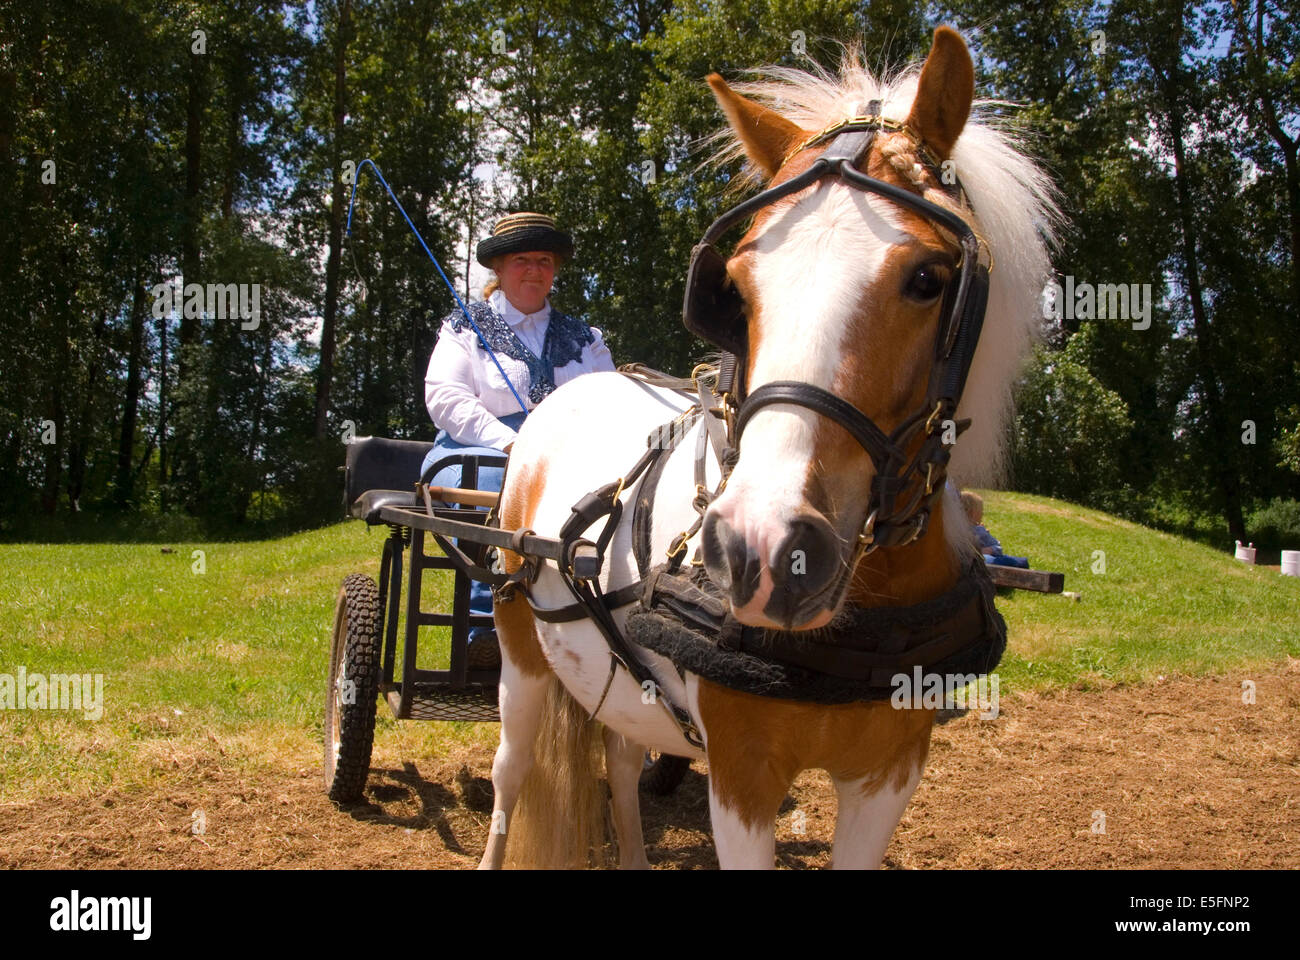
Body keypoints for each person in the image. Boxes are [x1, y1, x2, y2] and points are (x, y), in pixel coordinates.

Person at [422, 212, 615, 667]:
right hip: (478, 450)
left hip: (567, 455)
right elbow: (446, 398)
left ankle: (592, 625)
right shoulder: (464, 326)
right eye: (521, 259)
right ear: (499, 269)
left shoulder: (586, 338)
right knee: (500, 484)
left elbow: (609, 400)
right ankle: (486, 624)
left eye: (544, 260)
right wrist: (513, 444)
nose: (534, 270)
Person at [959, 489, 1030, 569]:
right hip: (982, 560)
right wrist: (990, 549)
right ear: (973, 513)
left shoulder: (957, 529)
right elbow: (997, 548)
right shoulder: (979, 530)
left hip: (971, 560)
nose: (983, 513)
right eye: (981, 511)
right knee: (1022, 562)